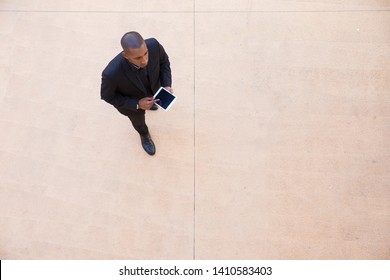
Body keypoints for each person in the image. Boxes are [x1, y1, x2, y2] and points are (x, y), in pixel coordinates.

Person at [100, 31, 173, 156]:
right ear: (126, 55)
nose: (144, 60)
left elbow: (164, 62)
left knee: (155, 99)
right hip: (132, 105)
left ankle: (152, 104)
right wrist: (137, 104)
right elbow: (107, 96)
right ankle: (144, 135)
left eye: (146, 53)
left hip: (154, 89)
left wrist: (166, 85)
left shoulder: (154, 45)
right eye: (138, 58)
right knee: (138, 122)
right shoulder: (111, 74)